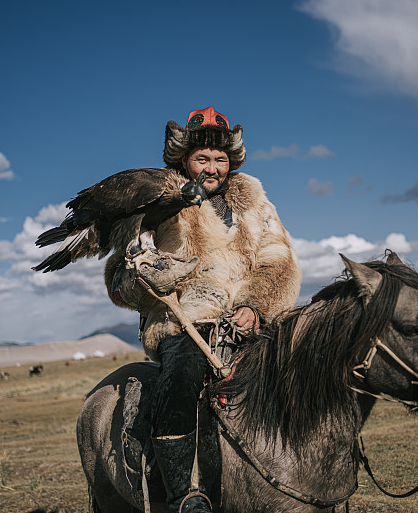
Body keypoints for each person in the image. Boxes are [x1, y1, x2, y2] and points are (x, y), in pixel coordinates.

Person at [105, 106, 301, 512]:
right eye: (202, 159)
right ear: (183, 160)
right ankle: (182, 495)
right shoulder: (159, 198)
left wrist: (256, 307)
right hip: (185, 325)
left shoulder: (255, 203)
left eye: (220, 159)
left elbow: (278, 260)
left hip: (251, 322)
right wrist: (146, 278)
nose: (212, 168)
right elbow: (119, 276)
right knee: (183, 376)